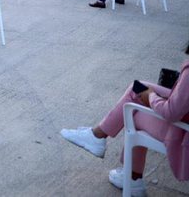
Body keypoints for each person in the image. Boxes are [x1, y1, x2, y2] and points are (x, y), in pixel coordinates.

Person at [60, 40, 189, 195]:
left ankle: (131, 177)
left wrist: (152, 97)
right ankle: (98, 137)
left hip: (181, 132)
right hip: (182, 120)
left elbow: (172, 112)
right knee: (137, 86)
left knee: (133, 115)